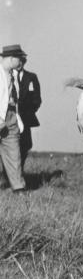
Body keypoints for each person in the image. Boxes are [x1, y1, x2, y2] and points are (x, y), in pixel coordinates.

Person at [0, 45, 28, 193]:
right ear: (12, 58)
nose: (21, 61)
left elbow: (13, 99)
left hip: (11, 117)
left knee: (14, 153)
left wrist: (16, 118)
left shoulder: (14, 74)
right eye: (20, 58)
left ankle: (18, 188)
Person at [15, 52, 41, 169]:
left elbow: (37, 99)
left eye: (21, 60)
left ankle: (19, 172)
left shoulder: (31, 77)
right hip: (8, 118)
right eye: (17, 60)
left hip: (25, 119)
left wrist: (28, 112)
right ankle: (8, 175)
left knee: (25, 146)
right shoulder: (4, 77)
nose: (19, 63)